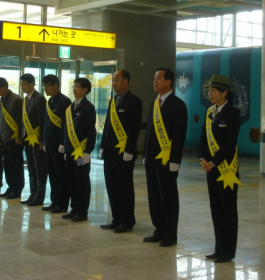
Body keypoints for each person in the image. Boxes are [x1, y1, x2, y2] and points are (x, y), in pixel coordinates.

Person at [198, 75, 241, 263]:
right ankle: (218, 248)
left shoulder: (233, 113)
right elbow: (203, 138)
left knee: (228, 210)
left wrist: (214, 161)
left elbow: (230, 144)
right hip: (211, 168)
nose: (210, 94)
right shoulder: (209, 112)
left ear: (224, 93)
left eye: (214, 90)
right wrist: (202, 159)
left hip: (227, 170)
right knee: (215, 208)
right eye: (209, 90)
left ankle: (228, 251)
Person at [142, 68, 187, 247]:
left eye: (158, 78)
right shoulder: (155, 103)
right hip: (152, 159)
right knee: (154, 197)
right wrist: (146, 154)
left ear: (168, 82)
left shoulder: (177, 105)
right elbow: (149, 132)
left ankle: (170, 233)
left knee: (168, 198)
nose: (155, 81)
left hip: (167, 161)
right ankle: (159, 229)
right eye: (154, 78)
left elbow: (179, 134)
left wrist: (175, 160)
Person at [99, 70, 143, 233]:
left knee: (124, 188)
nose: (113, 83)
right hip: (110, 152)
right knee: (112, 187)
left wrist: (130, 150)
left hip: (124, 154)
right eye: (113, 80)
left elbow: (134, 128)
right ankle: (116, 219)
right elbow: (107, 126)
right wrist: (102, 146)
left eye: (117, 80)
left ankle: (127, 221)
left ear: (126, 81)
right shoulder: (113, 100)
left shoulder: (134, 101)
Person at [60, 77, 96, 222]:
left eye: (77, 87)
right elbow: (65, 128)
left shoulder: (88, 107)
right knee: (71, 181)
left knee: (82, 181)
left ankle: (82, 211)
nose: (74, 89)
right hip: (70, 151)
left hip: (81, 153)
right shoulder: (70, 107)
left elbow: (91, 131)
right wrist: (63, 145)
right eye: (73, 86)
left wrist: (88, 151)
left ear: (85, 90)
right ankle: (74, 208)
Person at [41, 74, 72, 213]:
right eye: (44, 86)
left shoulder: (64, 101)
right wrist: (43, 140)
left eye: (48, 86)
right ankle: (54, 201)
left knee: (61, 175)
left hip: (59, 145)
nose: (45, 89)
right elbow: (45, 123)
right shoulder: (49, 102)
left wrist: (62, 143)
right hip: (49, 144)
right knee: (52, 174)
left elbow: (66, 124)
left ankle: (62, 203)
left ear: (55, 85)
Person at [0, 77, 24, 200]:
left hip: (14, 139)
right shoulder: (2, 100)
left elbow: (20, 119)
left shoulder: (16, 99)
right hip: (4, 137)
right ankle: (10, 187)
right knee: (8, 165)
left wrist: (19, 136)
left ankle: (17, 189)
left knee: (16, 165)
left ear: (4, 87)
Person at [19, 74, 47, 206]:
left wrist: (42, 139)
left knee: (39, 169)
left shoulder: (40, 98)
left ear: (31, 84)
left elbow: (42, 120)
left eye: (24, 84)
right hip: (28, 140)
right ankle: (33, 193)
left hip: (36, 140)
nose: (22, 87)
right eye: (21, 84)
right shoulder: (26, 99)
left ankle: (39, 196)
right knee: (31, 168)